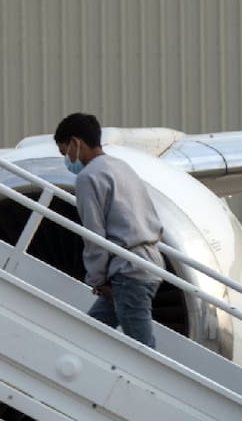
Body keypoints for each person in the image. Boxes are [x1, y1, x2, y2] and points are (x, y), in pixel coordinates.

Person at [55, 112, 164, 348]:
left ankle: (153, 385)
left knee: (144, 350)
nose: (67, 160)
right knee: (91, 335)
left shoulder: (88, 177)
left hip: (127, 270)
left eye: (65, 152)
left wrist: (96, 278)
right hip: (149, 263)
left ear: (76, 143)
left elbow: (95, 235)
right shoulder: (121, 167)